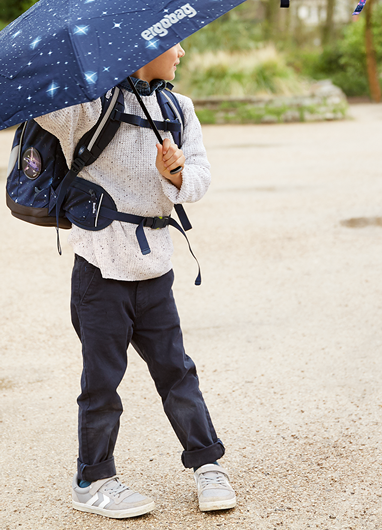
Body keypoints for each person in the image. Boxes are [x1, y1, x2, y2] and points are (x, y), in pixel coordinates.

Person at [35, 43, 236, 518]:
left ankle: (207, 464)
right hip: (100, 268)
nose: (184, 51)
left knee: (176, 371)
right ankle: (92, 479)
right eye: (175, 43)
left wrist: (178, 173)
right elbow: (41, 104)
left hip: (156, 269)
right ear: (145, 47)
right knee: (102, 383)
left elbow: (203, 178)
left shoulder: (177, 107)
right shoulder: (88, 106)